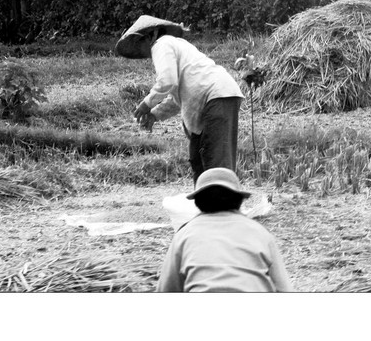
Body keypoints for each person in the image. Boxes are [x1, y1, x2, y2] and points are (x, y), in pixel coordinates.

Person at [115, 15, 244, 182]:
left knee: (215, 162)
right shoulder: (174, 46)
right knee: (199, 158)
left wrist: (146, 105)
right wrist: (155, 114)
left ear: (151, 35)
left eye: (140, 43)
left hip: (215, 95)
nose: (142, 50)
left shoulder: (161, 44)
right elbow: (176, 98)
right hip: (218, 95)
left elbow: (167, 81)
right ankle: (207, 203)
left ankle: (222, 205)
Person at [156, 168, 293, 292]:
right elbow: (284, 288)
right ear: (239, 200)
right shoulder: (260, 233)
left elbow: (167, 289)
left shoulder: (184, 235)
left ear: (197, 202)